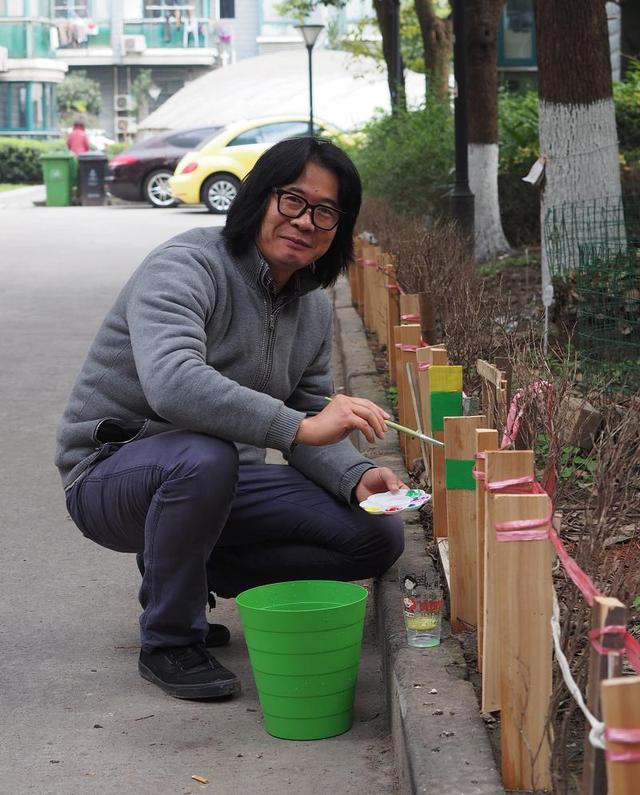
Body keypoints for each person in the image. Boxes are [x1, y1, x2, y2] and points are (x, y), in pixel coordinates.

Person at [55, 137, 406, 701]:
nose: (305, 221)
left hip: (219, 483)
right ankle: (169, 638)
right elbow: (172, 381)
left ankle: (192, 566)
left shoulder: (313, 305)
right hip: (110, 476)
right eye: (291, 200)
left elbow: (312, 415)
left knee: (375, 534)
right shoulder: (186, 265)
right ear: (257, 200)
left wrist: (354, 476)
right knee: (204, 455)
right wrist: (296, 427)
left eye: (325, 211)